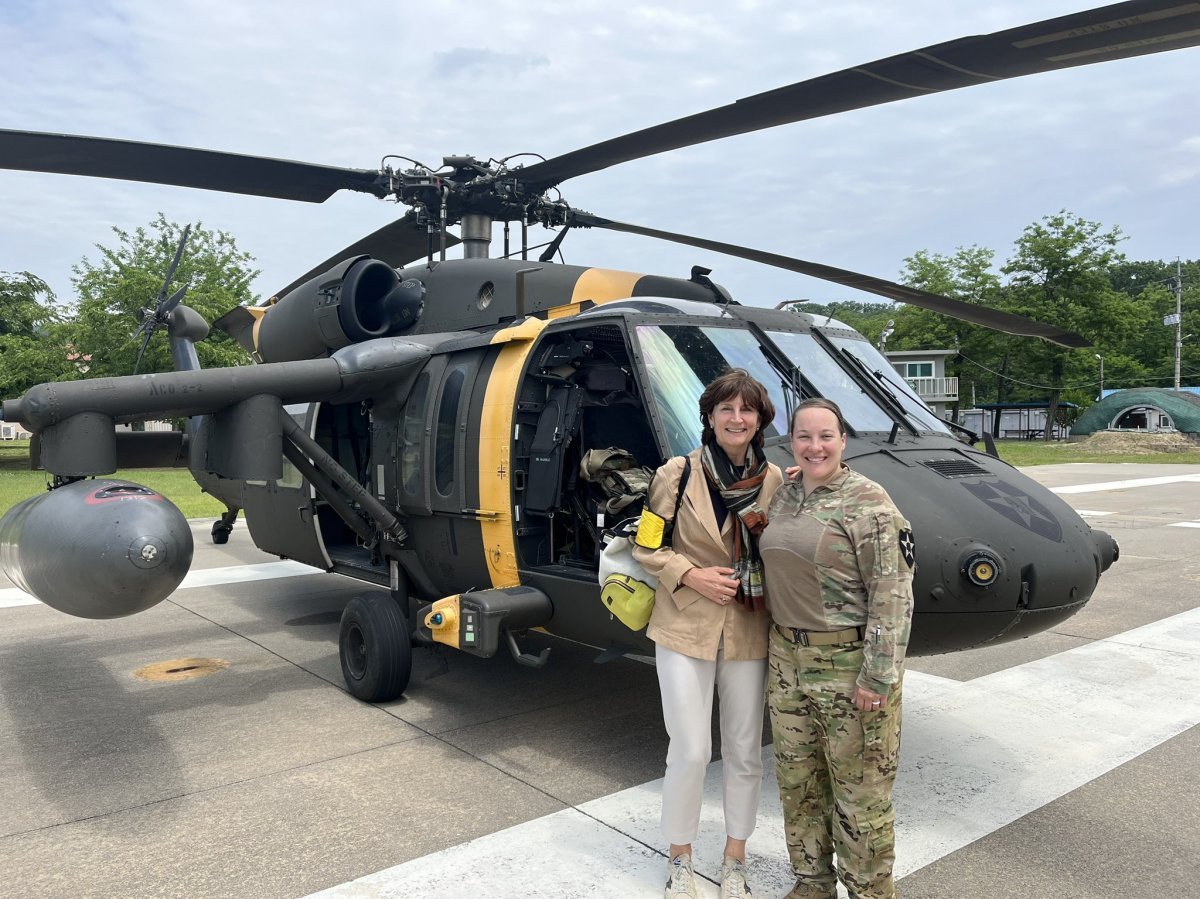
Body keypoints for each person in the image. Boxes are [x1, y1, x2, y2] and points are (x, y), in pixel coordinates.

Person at [634, 369, 783, 899]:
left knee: (744, 751)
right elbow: (646, 545)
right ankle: (680, 857)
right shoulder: (677, 473)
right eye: (726, 409)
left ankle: (734, 859)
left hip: (747, 628)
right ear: (710, 417)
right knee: (692, 750)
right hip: (684, 625)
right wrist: (691, 573)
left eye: (747, 410)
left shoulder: (775, 481)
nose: (736, 418)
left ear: (761, 419)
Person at [760, 398, 915, 899]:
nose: (815, 446)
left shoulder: (869, 503)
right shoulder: (785, 496)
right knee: (799, 781)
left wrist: (878, 677)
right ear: (793, 443)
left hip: (849, 665)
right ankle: (811, 881)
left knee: (860, 793)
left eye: (825, 436)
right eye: (804, 437)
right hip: (788, 659)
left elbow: (892, 595)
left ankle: (870, 892)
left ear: (843, 440)